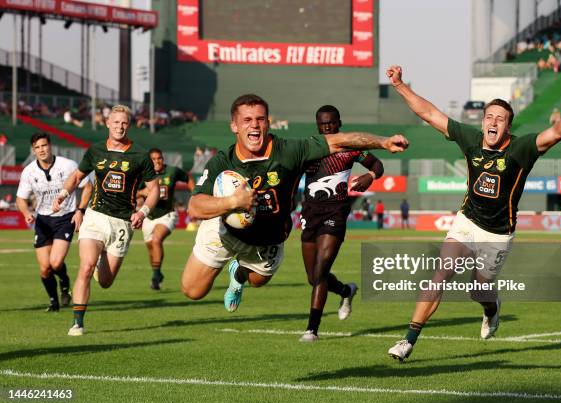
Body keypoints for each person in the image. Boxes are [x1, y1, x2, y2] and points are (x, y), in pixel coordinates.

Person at [385, 65, 561, 361]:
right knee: (440, 275)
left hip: (498, 233)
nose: (493, 123)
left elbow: (554, 134)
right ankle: (408, 341)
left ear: (508, 126)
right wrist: (400, 85)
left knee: (479, 290)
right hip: (467, 220)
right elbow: (429, 113)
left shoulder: (521, 148)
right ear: (483, 122)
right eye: (489, 117)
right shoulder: (469, 138)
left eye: (500, 119)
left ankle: (492, 311)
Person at [181, 94, 408, 314]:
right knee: (192, 291)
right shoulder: (223, 161)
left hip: (268, 238)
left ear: (268, 123)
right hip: (226, 232)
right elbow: (194, 206)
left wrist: (383, 142)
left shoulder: (290, 151)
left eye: (260, 119)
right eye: (247, 120)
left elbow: (341, 141)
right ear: (234, 126)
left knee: (257, 281)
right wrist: (233, 201)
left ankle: (238, 275)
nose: (255, 125)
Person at [52, 105, 160, 336]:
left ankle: (102, 262)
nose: (120, 126)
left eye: (124, 123)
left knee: (105, 281)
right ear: (108, 124)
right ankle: (77, 322)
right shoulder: (95, 151)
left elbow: (154, 190)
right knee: (86, 266)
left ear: (128, 126)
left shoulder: (140, 155)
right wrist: (62, 194)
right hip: (95, 217)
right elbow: (76, 177)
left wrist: (142, 212)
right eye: (116, 122)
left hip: (122, 223)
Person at [298, 105, 384, 342]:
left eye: (331, 123)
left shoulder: (351, 148)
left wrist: (370, 176)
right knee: (313, 276)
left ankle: (311, 330)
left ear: (339, 123)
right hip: (310, 213)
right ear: (317, 125)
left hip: (335, 212)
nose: (327, 127)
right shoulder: (308, 148)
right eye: (322, 124)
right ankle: (346, 291)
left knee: (321, 269)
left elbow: (378, 165)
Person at [16, 133, 91, 312]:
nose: (42, 150)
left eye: (44, 146)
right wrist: (26, 212)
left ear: (50, 146)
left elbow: (88, 186)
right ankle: (53, 302)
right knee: (44, 269)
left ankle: (64, 283)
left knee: (56, 263)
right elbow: (20, 198)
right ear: (33, 150)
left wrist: (80, 210)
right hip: (42, 220)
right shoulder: (29, 171)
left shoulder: (68, 165)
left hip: (65, 217)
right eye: (37, 147)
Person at [139, 148, 195, 290]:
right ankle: (157, 274)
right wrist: (142, 192)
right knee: (151, 248)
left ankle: (156, 275)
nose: (157, 161)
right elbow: (132, 194)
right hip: (148, 216)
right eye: (154, 159)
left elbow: (188, 178)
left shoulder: (172, 171)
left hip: (167, 214)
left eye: (160, 158)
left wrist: (194, 196)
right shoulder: (143, 174)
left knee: (157, 239)